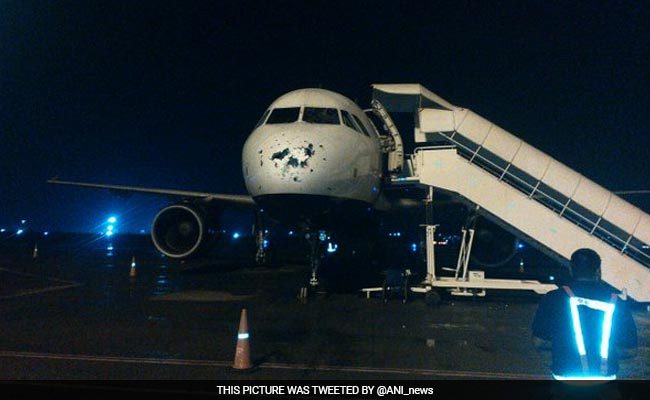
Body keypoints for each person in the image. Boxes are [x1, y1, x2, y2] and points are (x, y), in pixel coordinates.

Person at [532, 248, 638, 382]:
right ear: (598, 271)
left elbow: (539, 342)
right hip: (604, 380)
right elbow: (630, 351)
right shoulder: (616, 302)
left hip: (566, 377)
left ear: (571, 270)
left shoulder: (553, 298)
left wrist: (564, 347)